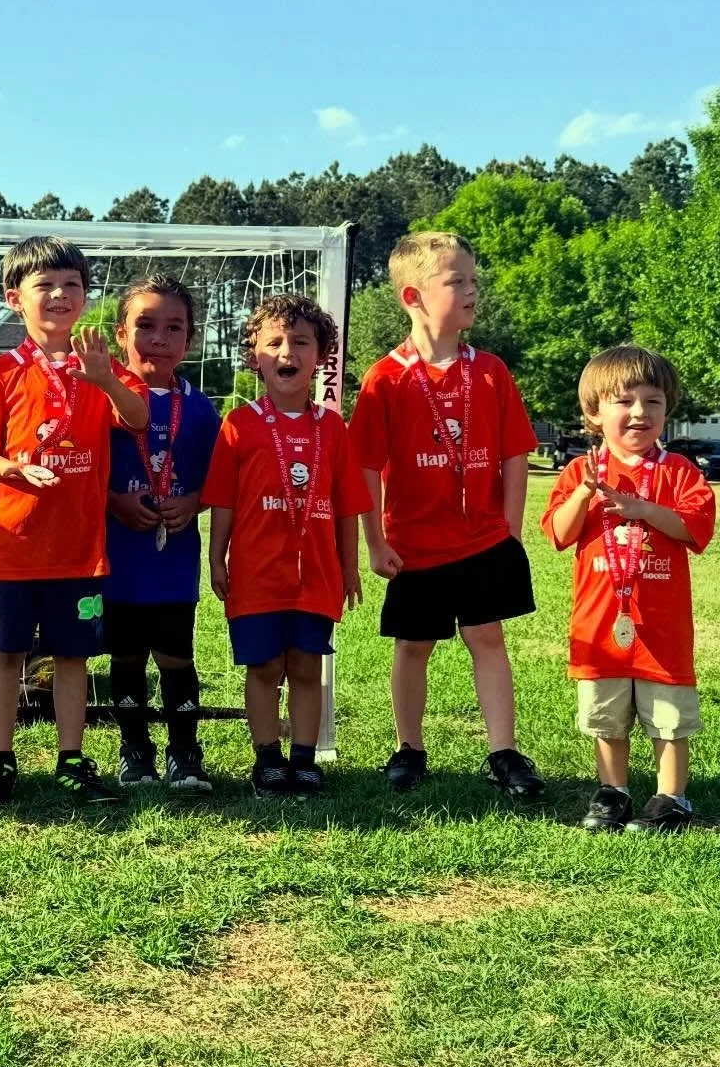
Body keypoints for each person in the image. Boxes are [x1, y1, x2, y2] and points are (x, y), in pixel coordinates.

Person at [349, 232, 544, 797]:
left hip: (483, 540)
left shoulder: (491, 372)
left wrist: (509, 526)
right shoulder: (387, 377)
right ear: (413, 296)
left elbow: (514, 453)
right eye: (456, 281)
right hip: (414, 544)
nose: (471, 291)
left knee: (488, 637)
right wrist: (374, 540)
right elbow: (365, 464)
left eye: (473, 281)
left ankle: (503, 752)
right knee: (413, 646)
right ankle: (409, 748)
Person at [0, 235, 149, 806]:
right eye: (44, 285)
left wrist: (105, 381)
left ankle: (72, 758)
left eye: (71, 285)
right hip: (14, 548)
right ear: (15, 298)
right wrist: (13, 469)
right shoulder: (1, 371)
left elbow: (138, 418)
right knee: (6, 654)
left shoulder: (100, 364)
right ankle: (0, 759)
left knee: (71, 656)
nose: (59, 295)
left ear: (85, 296)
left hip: (79, 549)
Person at [541, 346, 715, 833]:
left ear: (667, 408)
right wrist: (583, 493)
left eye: (653, 401)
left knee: (668, 719)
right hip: (600, 628)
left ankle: (671, 798)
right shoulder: (581, 471)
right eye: (625, 401)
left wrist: (644, 510)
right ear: (595, 413)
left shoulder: (678, 470)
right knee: (607, 718)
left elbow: (696, 527)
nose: (640, 412)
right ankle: (612, 792)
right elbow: (558, 532)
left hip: (661, 629)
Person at [203, 295, 370, 796]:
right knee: (264, 666)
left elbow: (346, 508)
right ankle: (267, 758)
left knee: (306, 665)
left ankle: (303, 757)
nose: (286, 351)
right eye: (273, 341)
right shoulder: (239, 424)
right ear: (254, 355)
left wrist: (351, 568)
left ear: (320, 357)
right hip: (257, 573)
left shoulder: (333, 428)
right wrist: (216, 555)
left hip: (315, 574)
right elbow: (224, 501)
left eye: (300, 342)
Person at [103, 275, 221, 790]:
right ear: (120, 334)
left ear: (189, 340)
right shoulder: (100, 397)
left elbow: (221, 479)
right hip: (118, 553)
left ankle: (185, 753)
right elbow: (81, 470)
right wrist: (114, 501)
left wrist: (195, 501)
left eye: (174, 327)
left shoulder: (199, 408)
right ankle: (134, 751)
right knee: (125, 654)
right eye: (145, 325)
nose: (159, 337)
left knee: (176, 653)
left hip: (174, 555)